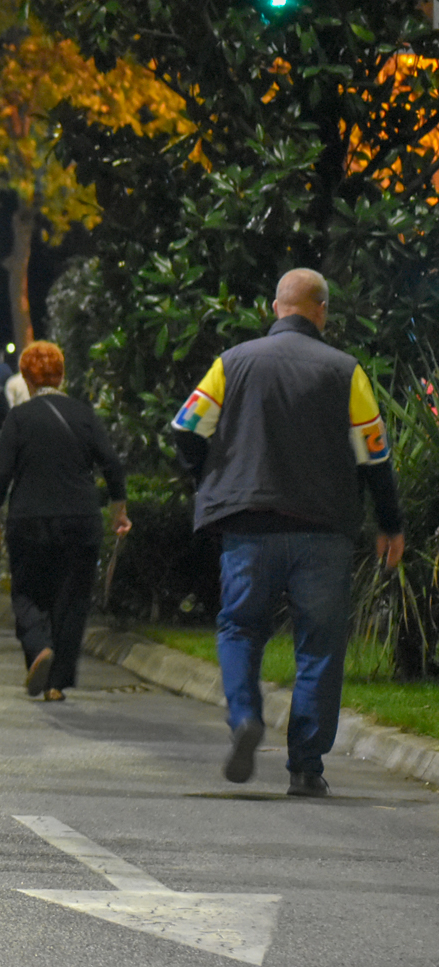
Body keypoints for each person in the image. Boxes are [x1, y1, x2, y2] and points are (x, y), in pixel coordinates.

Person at [170, 268, 403, 798]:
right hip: (323, 532)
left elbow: (186, 427)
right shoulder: (347, 371)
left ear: (276, 308)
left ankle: (246, 718)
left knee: (239, 628)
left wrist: (209, 475)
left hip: (249, 525)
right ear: (321, 311)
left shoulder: (232, 363)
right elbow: (374, 455)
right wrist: (390, 524)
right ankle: (305, 766)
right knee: (319, 646)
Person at [0, 341, 130, 701]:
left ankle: (39, 648)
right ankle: (56, 684)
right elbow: (111, 463)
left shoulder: (19, 418)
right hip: (80, 519)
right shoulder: (83, 414)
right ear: (62, 376)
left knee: (26, 592)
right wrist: (119, 511)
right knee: (72, 600)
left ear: (25, 378)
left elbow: (2, 473)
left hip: (29, 520)